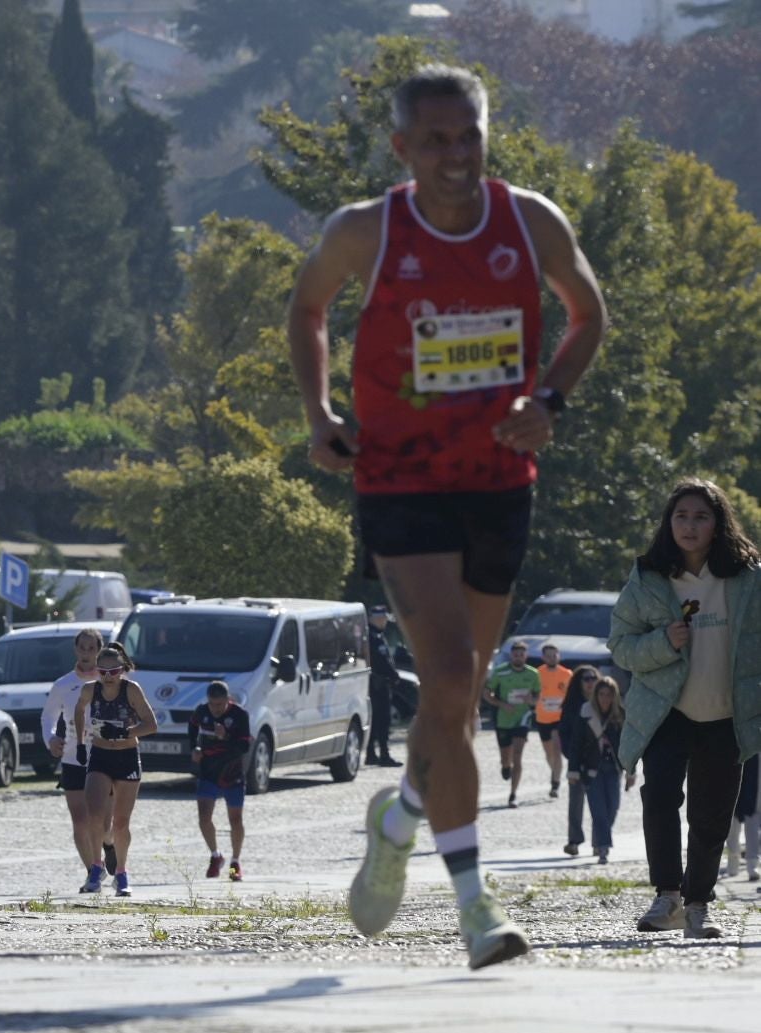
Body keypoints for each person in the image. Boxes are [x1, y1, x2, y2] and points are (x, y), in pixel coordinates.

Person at [289, 63, 607, 969]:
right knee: (453, 671)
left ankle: (398, 821)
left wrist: (549, 399)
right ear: (402, 148)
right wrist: (320, 420)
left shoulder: (530, 219)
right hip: (400, 480)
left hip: (500, 479)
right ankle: (476, 909)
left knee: (455, 699)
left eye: (468, 135)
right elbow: (306, 309)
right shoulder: (366, 231)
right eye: (435, 139)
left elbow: (589, 313)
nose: (456, 154)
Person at [609, 478, 761, 940]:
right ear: (668, 523)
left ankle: (698, 905)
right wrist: (662, 642)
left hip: (727, 716)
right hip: (665, 712)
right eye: (681, 516)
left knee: (712, 814)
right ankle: (667, 896)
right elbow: (620, 645)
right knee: (658, 799)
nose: (689, 525)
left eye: (700, 517)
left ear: (718, 525)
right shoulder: (649, 577)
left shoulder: (748, 578)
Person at [74, 643, 158, 897]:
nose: (108, 678)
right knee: (94, 816)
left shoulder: (131, 690)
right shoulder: (90, 690)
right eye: (103, 672)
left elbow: (151, 724)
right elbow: (78, 711)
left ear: (122, 671)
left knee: (121, 822)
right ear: (96, 672)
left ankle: (121, 872)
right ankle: (96, 868)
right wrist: (80, 742)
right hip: (100, 755)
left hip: (127, 756)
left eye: (114, 672)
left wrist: (124, 731)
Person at [44, 627, 118, 886]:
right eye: (82, 648)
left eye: (92, 648)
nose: (86, 653)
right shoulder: (63, 684)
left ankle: (109, 844)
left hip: (104, 756)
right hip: (73, 758)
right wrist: (51, 738)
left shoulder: (111, 683)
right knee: (80, 820)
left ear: (99, 651)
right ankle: (93, 872)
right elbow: (48, 717)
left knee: (104, 822)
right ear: (75, 650)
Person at [190, 680, 252, 882]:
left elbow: (243, 747)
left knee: (235, 819)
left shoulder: (240, 715)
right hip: (208, 771)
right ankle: (215, 855)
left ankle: (235, 862)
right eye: (212, 704)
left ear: (228, 700)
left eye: (219, 705)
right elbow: (192, 727)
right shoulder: (201, 711)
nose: (215, 709)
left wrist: (225, 737)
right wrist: (194, 749)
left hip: (231, 773)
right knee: (204, 817)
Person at [577, 676, 632, 864]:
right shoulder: (586, 713)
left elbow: (627, 745)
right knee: (598, 810)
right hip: (592, 769)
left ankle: (598, 839)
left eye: (608, 694)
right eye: (601, 694)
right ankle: (603, 848)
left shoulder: (620, 716)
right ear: (596, 695)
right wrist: (573, 770)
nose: (605, 698)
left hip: (613, 768)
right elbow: (576, 744)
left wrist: (630, 770)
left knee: (612, 808)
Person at [483, 642, 542, 807]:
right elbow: (487, 693)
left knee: (518, 756)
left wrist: (531, 700)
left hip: (522, 718)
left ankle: (513, 794)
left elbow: (537, 695)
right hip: (503, 719)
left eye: (522, 655)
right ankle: (505, 766)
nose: (519, 657)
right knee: (506, 757)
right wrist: (501, 704)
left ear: (526, 656)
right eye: (516, 654)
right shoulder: (501, 672)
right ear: (511, 656)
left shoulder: (533, 674)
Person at [556, 665, 600, 856]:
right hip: (577, 759)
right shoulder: (571, 706)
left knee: (601, 805)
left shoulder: (605, 701)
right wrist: (569, 755)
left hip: (600, 760)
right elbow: (563, 732)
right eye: (586, 679)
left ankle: (600, 842)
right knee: (576, 803)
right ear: (578, 683)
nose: (591, 682)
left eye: (593, 678)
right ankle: (574, 841)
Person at [534, 643, 572, 798]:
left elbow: (572, 695)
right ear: (543, 657)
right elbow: (531, 692)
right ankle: (555, 771)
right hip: (543, 718)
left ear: (559, 656)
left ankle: (555, 784)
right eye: (548, 655)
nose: (551, 658)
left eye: (554, 655)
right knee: (549, 753)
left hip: (559, 718)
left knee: (557, 750)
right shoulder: (536, 674)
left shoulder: (567, 674)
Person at [366, 607, 403, 767]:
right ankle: (383, 754)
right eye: (382, 619)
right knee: (382, 721)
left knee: (375, 720)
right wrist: (394, 674)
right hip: (377, 685)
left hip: (377, 684)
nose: (385, 621)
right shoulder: (373, 637)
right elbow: (381, 660)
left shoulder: (376, 636)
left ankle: (371, 753)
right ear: (374, 619)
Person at [724, 758, 759, 882]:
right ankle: (733, 858)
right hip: (733, 756)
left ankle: (752, 864)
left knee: (753, 819)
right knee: (732, 819)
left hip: (754, 762)